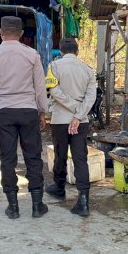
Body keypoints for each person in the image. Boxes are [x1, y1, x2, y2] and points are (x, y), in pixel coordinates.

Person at [0, 16, 49, 219]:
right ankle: (37, 206)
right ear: (21, 35)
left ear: (1, 33)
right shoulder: (32, 55)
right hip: (28, 110)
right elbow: (40, 87)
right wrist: (42, 111)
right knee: (33, 157)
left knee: (8, 159)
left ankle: (13, 207)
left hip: (4, 111)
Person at [44, 37, 97, 217]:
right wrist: (78, 113)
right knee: (80, 158)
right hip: (80, 122)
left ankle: (59, 188)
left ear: (61, 51)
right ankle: (83, 200)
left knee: (60, 154)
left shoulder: (54, 67)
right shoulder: (88, 70)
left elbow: (53, 91)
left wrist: (71, 108)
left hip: (60, 119)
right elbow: (91, 98)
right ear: (77, 51)